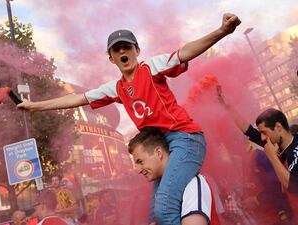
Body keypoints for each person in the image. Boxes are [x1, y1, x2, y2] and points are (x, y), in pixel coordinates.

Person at [18, 14, 240, 225]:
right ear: (111, 58)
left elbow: (185, 52)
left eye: (127, 47)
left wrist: (222, 31)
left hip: (185, 139)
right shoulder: (116, 88)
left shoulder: (151, 67)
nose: (122, 51)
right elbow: (78, 98)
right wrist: (34, 107)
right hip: (160, 150)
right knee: (154, 215)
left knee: (165, 207)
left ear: (137, 50)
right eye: (117, 49)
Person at [128, 127, 220, 225]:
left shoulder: (192, 183)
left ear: (158, 153)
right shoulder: (161, 187)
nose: (138, 170)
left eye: (140, 161)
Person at [217, 86, 298, 194]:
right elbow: (248, 130)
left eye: (264, 132)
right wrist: (228, 107)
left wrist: (272, 157)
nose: (262, 138)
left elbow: (292, 186)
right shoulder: (275, 143)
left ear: (278, 127)